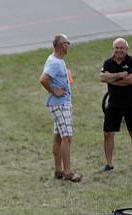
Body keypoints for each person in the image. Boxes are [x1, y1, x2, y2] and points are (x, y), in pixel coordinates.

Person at [39, 34, 81, 183]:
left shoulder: (58, 60)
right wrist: (54, 91)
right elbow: (43, 79)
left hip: (63, 102)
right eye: (66, 43)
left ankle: (58, 170)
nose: (69, 45)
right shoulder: (55, 63)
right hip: (60, 103)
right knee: (67, 137)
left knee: (58, 136)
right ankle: (67, 172)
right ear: (60, 45)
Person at [100, 38, 132, 172]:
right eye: (116, 48)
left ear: (127, 49)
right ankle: (109, 164)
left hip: (131, 103)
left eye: (122, 48)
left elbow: (131, 80)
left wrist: (112, 79)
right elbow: (102, 77)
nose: (119, 50)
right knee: (108, 133)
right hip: (113, 104)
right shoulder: (108, 62)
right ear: (113, 49)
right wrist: (120, 74)